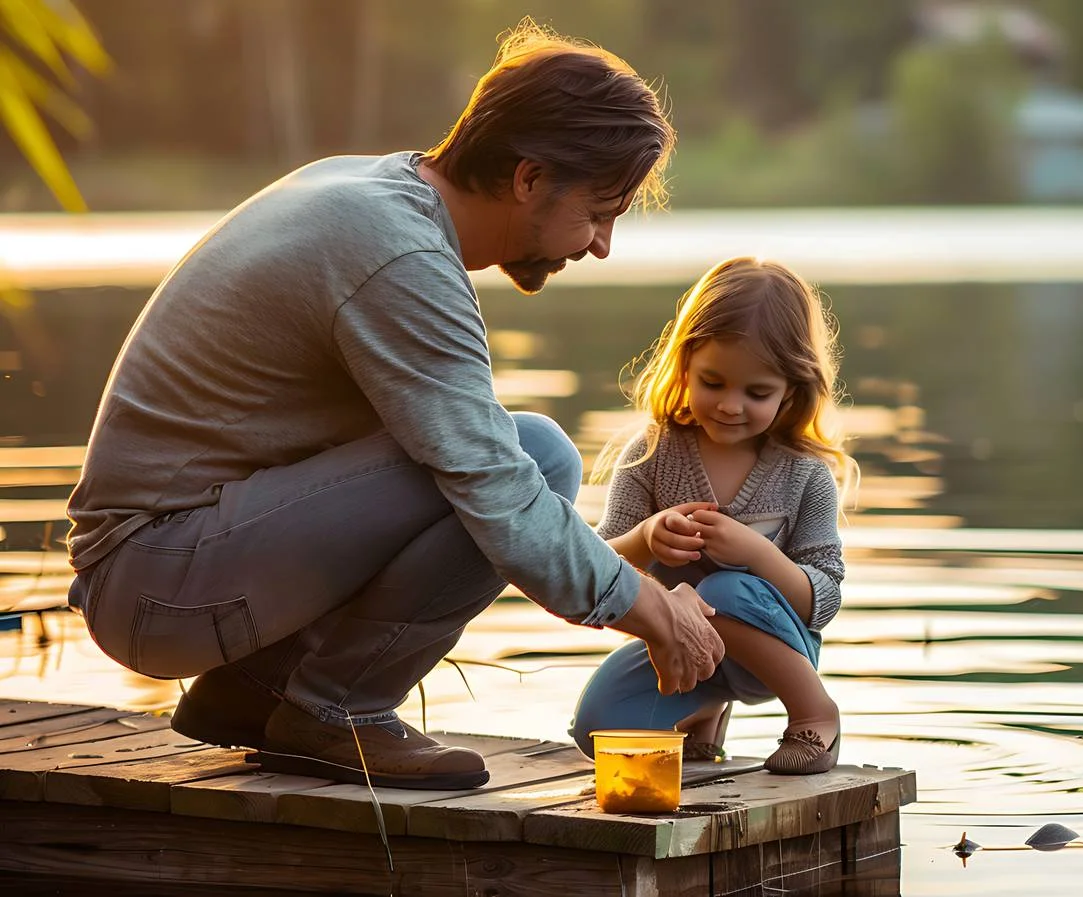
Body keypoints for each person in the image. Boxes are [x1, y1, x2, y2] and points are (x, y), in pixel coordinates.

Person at [61, 22, 725, 792]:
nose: (602, 243)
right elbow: (495, 485)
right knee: (531, 460)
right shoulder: (398, 255)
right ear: (529, 177)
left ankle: (260, 693)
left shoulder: (377, 195)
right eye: (600, 210)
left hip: (168, 566)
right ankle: (337, 708)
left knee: (509, 455)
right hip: (158, 581)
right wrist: (645, 602)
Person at [571, 256, 857, 775]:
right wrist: (645, 538)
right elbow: (597, 565)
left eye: (757, 392)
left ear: (791, 390)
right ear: (685, 365)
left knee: (721, 593)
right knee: (598, 734)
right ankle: (702, 713)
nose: (730, 405)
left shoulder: (803, 475)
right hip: (679, 650)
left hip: (775, 656)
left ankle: (814, 711)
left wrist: (757, 553)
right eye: (713, 381)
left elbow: (826, 600)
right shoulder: (652, 455)